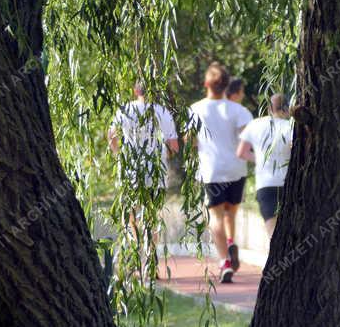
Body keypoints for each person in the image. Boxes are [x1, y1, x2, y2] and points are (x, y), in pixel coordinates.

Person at [189, 63, 253, 283]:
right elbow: (248, 139)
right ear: (226, 85)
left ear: (206, 84)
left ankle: (225, 260)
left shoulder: (196, 109)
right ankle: (231, 240)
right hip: (236, 169)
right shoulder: (239, 110)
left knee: (215, 216)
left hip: (212, 170)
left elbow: (190, 141)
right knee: (231, 213)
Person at [108, 82, 179, 243]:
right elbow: (174, 145)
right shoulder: (161, 111)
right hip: (155, 170)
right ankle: (150, 255)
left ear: (135, 91)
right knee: (152, 216)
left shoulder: (125, 110)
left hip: (129, 169)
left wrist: (118, 154)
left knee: (130, 213)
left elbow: (111, 135)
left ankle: (134, 247)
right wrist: (164, 154)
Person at [237, 93, 293, 237]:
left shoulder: (255, 124)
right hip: (289, 184)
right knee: (290, 231)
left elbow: (241, 152)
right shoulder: (291, 127)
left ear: (269, 108)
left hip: (266, 185)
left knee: (273, 233)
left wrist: (261, 159)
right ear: (287, 109)